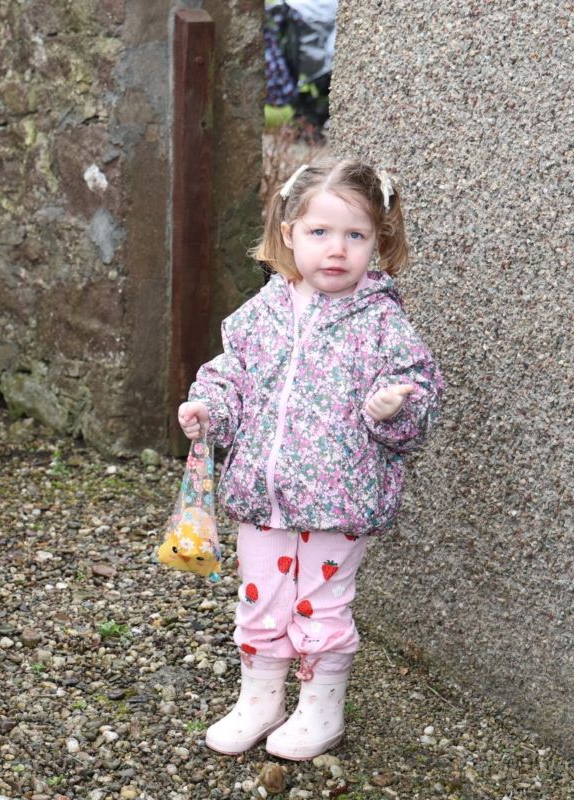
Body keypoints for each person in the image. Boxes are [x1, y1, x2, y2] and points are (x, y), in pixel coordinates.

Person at [177, 158, 443, 760]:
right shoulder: (260, 316)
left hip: (340, 499)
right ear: (289, 231)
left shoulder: (381, 323)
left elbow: (419, 399)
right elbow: (230, 381)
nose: (337, 249)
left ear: (379, 242)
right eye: (320, 232)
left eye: (356, 235)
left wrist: (391, 410)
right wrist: (209, 412)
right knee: (260, 595)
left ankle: (321, 710)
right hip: (262, 496)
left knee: (320, 603)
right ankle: (260, 700)